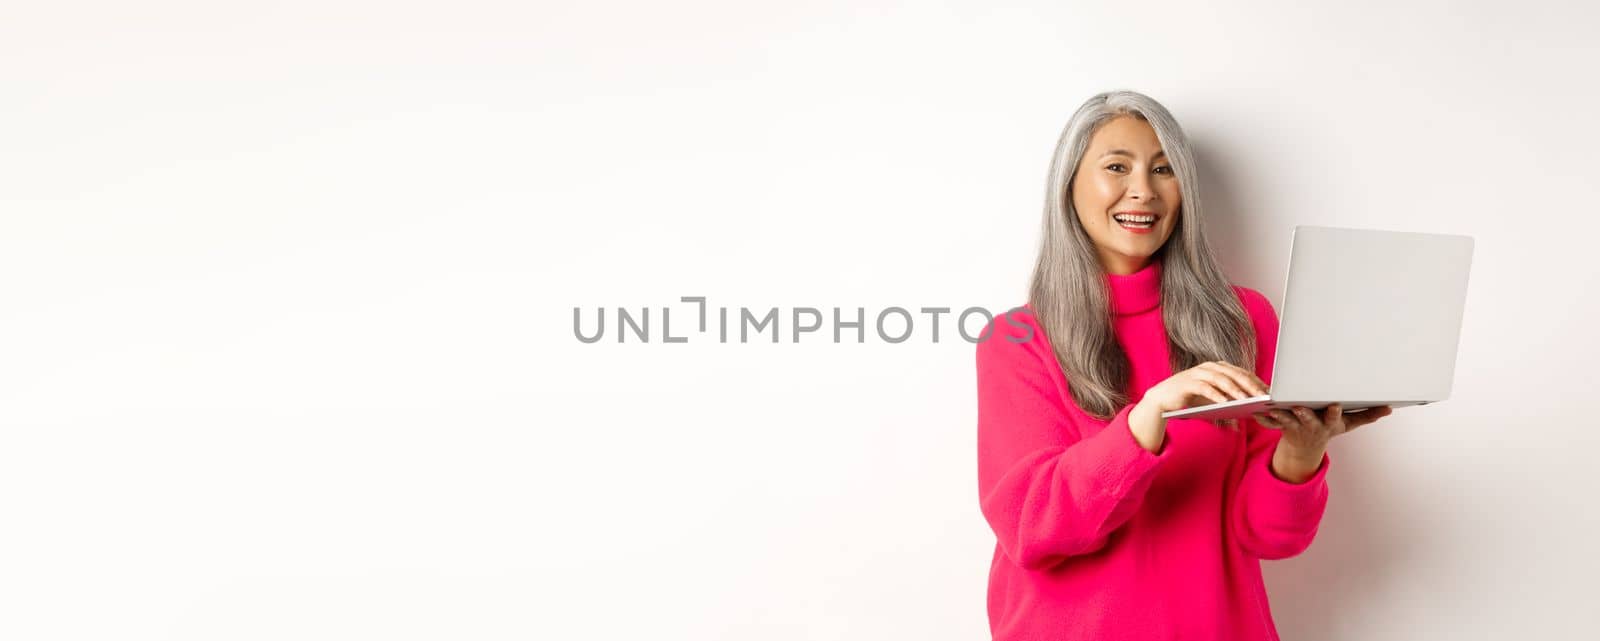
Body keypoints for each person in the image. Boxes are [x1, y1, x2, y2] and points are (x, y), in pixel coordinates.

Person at [975, 90, 1395, 641]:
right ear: (1069, 185)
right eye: (1116, 167)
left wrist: (1301, 449)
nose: (1143, 190)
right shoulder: (1018, 339)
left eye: (1164, 169)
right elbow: (1032, 527)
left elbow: (1270, 538)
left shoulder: (1243, 320)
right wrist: (1147, 418)